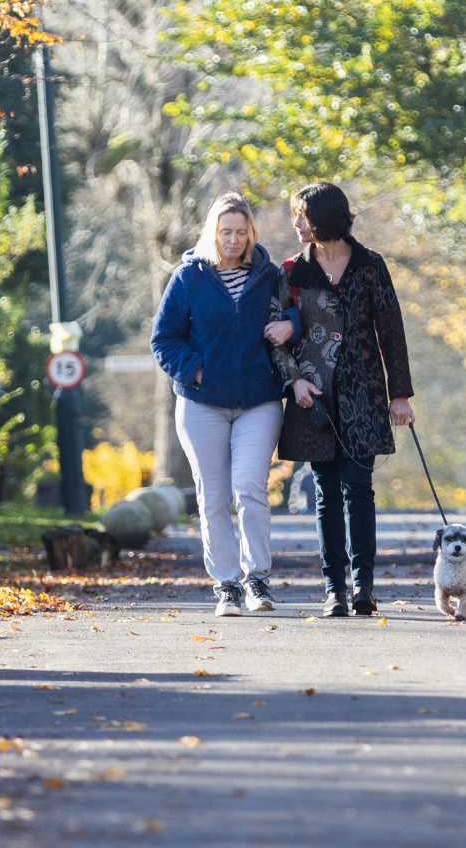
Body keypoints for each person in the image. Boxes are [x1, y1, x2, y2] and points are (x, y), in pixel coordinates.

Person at [265, 182, 415, 617]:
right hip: (313, 396)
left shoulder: (370, 266)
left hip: (364, 394)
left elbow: (392, 330)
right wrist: (293, 381)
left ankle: (364, 587)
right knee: (325, 493)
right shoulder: (292, 271)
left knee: (359, 489)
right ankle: (335, 590)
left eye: (301, 216)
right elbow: (274, 336)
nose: (295, 223)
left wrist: (400, 394)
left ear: (324, 218)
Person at [151, 193, 300, 617]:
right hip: (202, 404)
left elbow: (299, 319)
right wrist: (198, 372)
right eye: (225, 232)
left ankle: (257, 581)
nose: (233, 239)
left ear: (251, 232)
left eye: (240, 231)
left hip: (259, 401)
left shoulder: (269, 276)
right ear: (213, 233)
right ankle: (227, 585)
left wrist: (291, 326)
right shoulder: (188, 278)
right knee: (213, 495)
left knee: (250, 487)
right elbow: (164, 340)